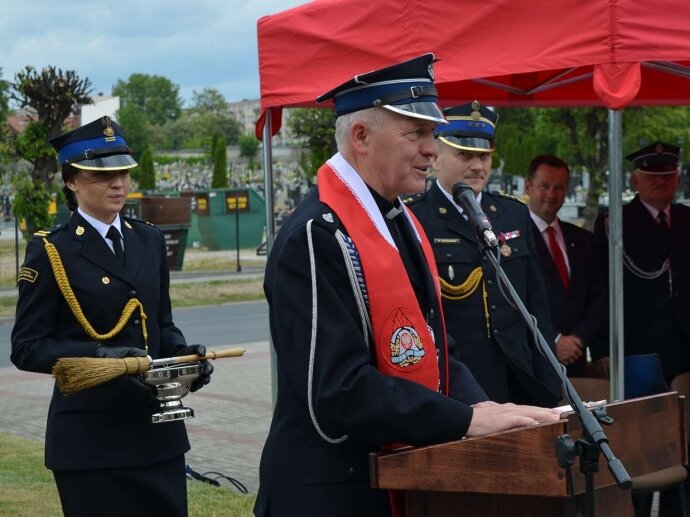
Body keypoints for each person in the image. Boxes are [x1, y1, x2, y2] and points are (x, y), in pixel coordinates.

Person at [254, 56, 560, 517]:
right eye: (415, 133)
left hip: (399, 474)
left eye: (432, 134)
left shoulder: (400, 220)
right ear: (361, 137)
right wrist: (464, 420)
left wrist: (494, 412)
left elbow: (438, 350)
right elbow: (338, 390)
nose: (432, 149)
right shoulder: (315, 236)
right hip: (335, 491)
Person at [10, 116, 212, 517]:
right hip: (90, 440)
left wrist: (184, 356)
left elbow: (161, 324)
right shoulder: (52, 250)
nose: (118, 184)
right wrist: (97, 355)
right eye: (102, 176)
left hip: (157, 433)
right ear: (72, 182)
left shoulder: (149, 239)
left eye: (123, 173)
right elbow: (27, 348)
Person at [593, 141, 690, 516]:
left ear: (678, 178)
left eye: (667, 176)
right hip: (638, 352)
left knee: (688, 446)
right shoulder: (614, 222)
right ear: (636, 180)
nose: (660, 183)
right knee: (640, 447)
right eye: (652, 177)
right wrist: (602, 348)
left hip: (687, 350)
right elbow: (602, 292)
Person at [406, 101, 560, 407]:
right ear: (436, 158)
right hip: (460, 385)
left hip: (520, 378)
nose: (478, 166)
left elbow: (536, 306)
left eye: (483, 155)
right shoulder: (416, 218)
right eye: (464, 155)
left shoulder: (512, 213)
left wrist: (551, 381)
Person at [524, 155, 608, 378]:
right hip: (533, 364)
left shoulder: (582, 240)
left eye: (559, 188)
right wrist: (554, 341)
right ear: (528, 187)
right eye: (544, 186)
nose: (551, 194)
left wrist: (578, 338)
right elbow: (513, 301)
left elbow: (598, 296)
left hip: (576, 359)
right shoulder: (511, 239)